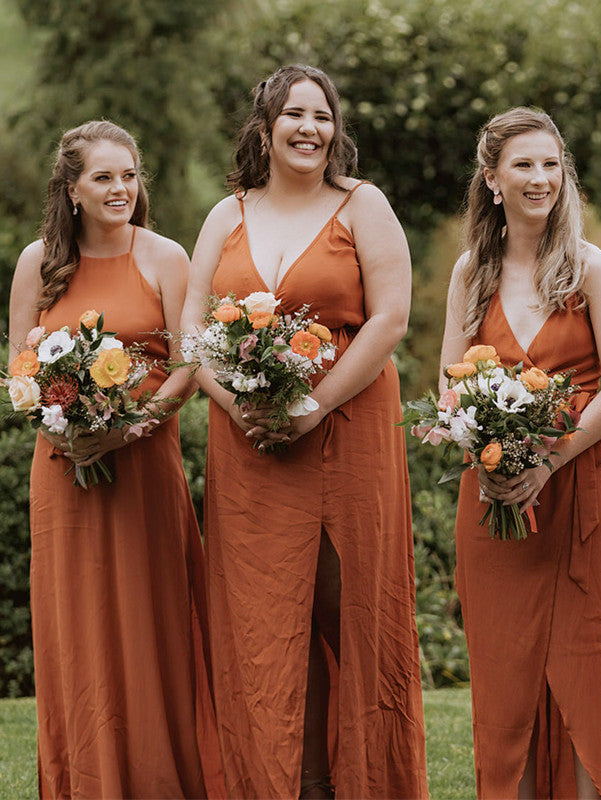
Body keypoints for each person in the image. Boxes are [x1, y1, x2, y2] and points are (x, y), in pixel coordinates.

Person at [181, 65, 428, 799]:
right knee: (263, 623)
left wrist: (313, 405)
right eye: (294, 114)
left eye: (322, 116)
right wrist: (235, 404)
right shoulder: (228, 215)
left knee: (348, 609)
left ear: (335, 130)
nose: (309, 128)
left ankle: (371, 782)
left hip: (346, 432)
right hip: (249, 445)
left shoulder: (362, 204)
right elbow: (192, 326)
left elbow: (390, 320)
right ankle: (300, 784)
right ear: (265, 126)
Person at [9, 121, 225, 799]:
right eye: (103, 177)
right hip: (64, 470)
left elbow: (190, 367)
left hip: (143, 468)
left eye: (129, 175)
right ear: (70, 190)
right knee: (77, 630)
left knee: (149, 627)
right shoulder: (36, 263)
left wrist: (127, 427)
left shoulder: (166, 257)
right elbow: (19, 372)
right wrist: (59, 419)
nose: (120, 189)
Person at [440, 107, 601, 799]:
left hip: (582, 501)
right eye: (524, 164)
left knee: (589, 681)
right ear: (491, 179)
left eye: (551, 164)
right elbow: (450, 381)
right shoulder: (473, 272)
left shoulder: (591, 269)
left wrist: (551, 460)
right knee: (506, 689)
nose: (540, 178)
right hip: (496, 509)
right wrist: (485, 456)